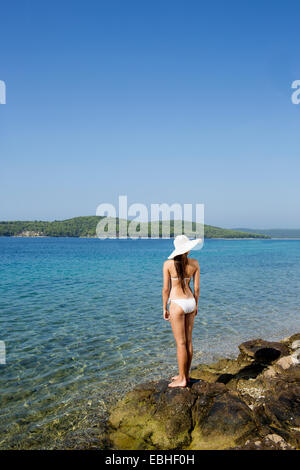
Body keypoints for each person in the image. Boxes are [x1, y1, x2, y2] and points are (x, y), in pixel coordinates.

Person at [162, 235, 201, 388]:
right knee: (189, 341)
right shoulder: (195, 263)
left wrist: (164, 307)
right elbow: (196, 288)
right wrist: (195, 305)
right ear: (187, 249)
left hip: (177, 304)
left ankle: (182, 380)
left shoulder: (168, 264)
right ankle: (185, 375)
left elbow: (166, 289)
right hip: (190, 302)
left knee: (180, 343)